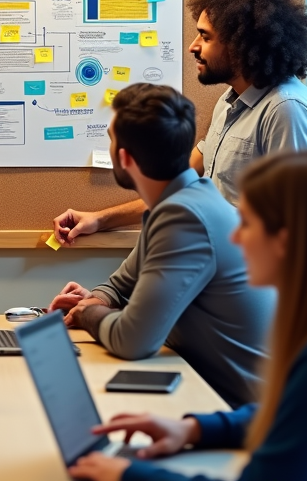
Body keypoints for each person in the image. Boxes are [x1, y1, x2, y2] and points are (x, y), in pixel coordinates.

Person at [70, 151, 307, 481]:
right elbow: (295, 414)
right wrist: (194, 429)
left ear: (284, 241)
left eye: (248, 224)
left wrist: (127, 474)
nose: (236, 238)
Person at [53, 0, 307, 244]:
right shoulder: (229, 102)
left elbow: (290, 222)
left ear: (241, 45)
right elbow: (178, 186)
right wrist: (100, 219)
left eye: (205, 37)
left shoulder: (287, 109)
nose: (193, 47)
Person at [48, 84, 274, 409]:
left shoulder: (185, 218)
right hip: (207, 391)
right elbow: (119, 283)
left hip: (237, 416)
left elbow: (133, 340)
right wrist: (97, 301)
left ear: (125, 158)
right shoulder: (182, 202)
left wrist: (88, 314)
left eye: (111, 139)